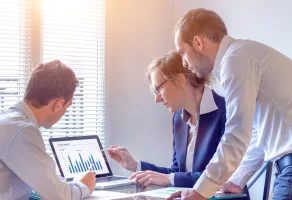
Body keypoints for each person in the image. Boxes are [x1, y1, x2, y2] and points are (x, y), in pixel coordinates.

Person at [168, 8, 292, 200]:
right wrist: (236, 180)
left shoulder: (235, 59)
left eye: (183, 52)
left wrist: (201, 190)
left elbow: (236, 133)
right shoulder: (243, 54)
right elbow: (258, 134)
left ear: (198, 42)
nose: (184, 63)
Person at [108, 51, 227, 188]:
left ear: (180, 80)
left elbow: (221, 177)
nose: (157, 99)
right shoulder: (179, 119)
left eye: (158, 89)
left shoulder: (227, 112)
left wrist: (169, 178)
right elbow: (177, 174)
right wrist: (136, 165)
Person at [0, 60, 96, 200]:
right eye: (66, 107)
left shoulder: (8, 121)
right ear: (59, 104)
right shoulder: (22, 131)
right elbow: (59, 196)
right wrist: (83, 185)